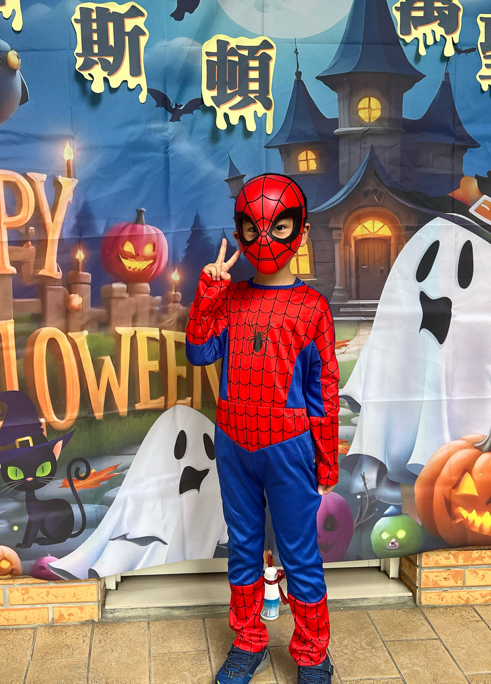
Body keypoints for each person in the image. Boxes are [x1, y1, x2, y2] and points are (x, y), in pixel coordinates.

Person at [185, 174, 339, 684]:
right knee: (244, 547)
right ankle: (248, 640)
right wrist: (210, 290)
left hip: (289, 447)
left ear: (302, 230)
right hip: (235, 444)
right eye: (252, 229)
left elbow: (324, 392)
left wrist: (326, 461)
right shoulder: (229, 298)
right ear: (240, 232)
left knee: (300, 554)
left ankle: (313, 654)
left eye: (279, 226)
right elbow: (199, 352)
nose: (265, 239)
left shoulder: (312, 308)